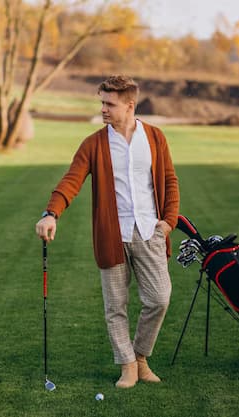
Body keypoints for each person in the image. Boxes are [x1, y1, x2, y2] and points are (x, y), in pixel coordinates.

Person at [35, 75, 180, 388]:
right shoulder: (94, 143)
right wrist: (51, 213)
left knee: (160, 298)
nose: (102, 108)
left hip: (149, 231)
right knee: (116, 306)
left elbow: (170, 180)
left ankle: (141, 355)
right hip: (111, 235)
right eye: (101, 102)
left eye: (109, 103)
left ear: (129, 105)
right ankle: (128, 365)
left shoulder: (154, 138)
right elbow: (71, 180)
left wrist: (168, 222)